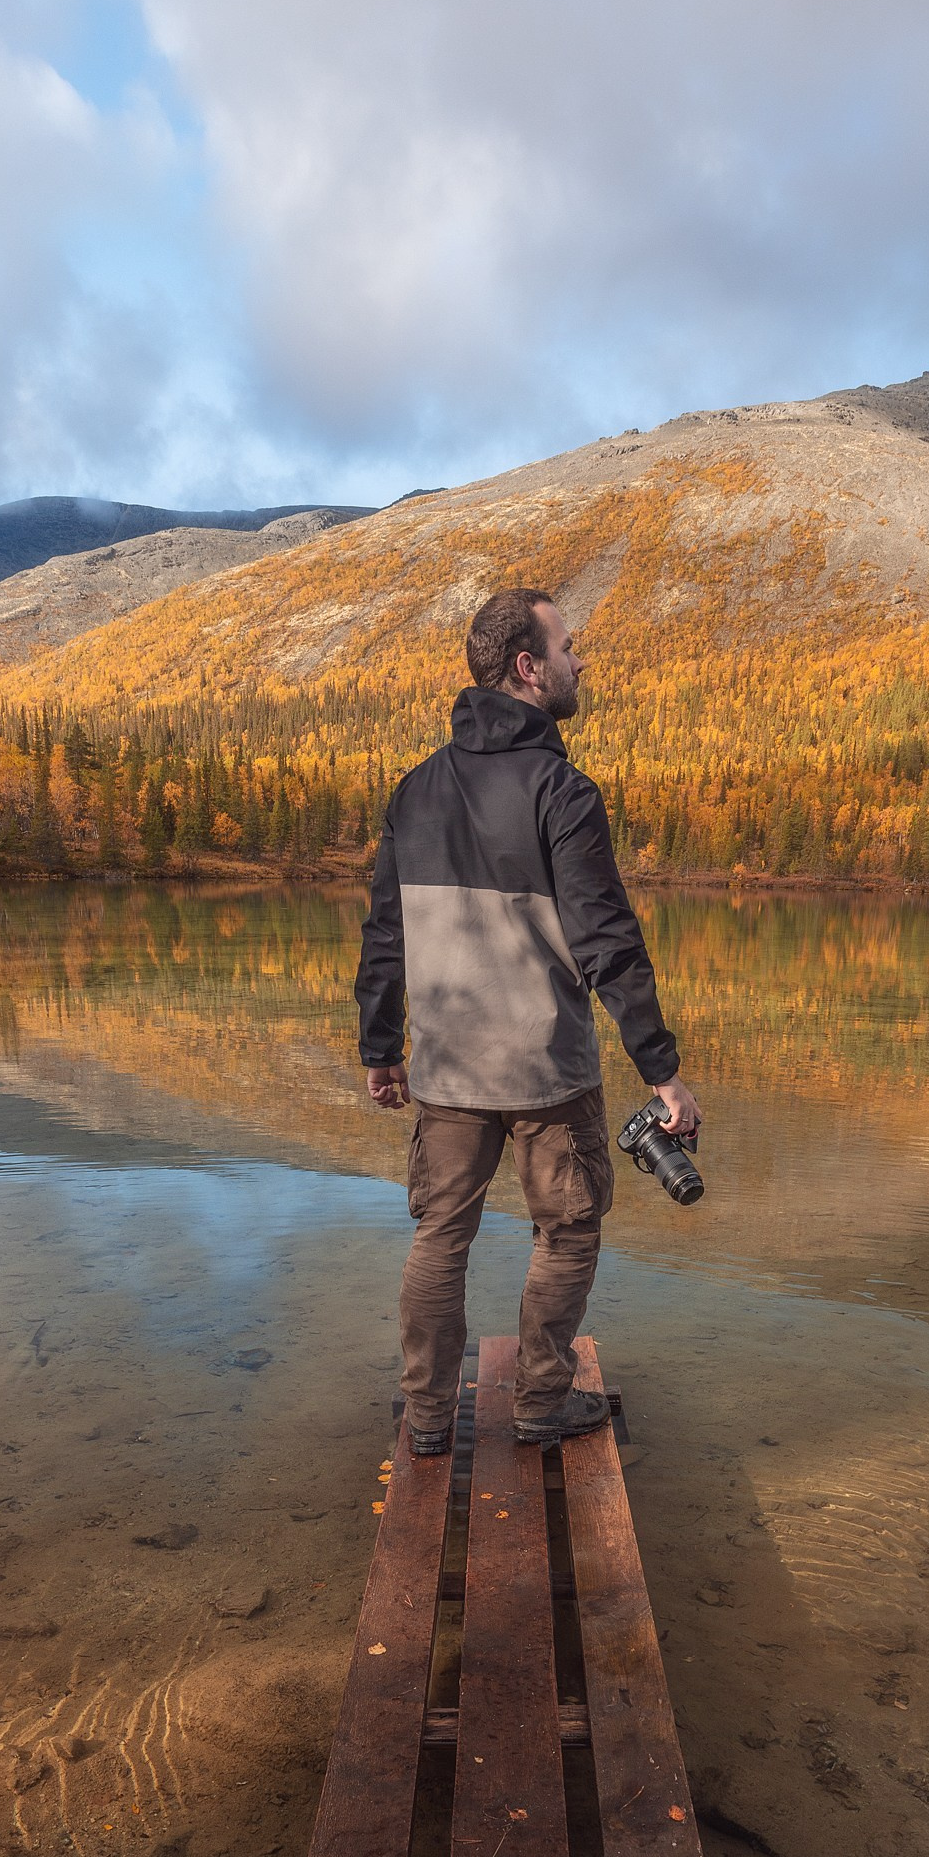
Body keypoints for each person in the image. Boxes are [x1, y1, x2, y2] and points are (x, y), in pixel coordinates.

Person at [354, 585, 702, 1457]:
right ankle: (540, 1403)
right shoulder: (563, 789)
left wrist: (380, 1047)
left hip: (447, 1070)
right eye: (569, 646)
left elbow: (386, 933)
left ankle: (428, 1419)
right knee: (570, 1226)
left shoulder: (414, 790)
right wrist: (661, 1070)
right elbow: (606, 941)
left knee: (441, 1233)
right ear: (526, 666)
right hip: (548, 1071)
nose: (579, 661)